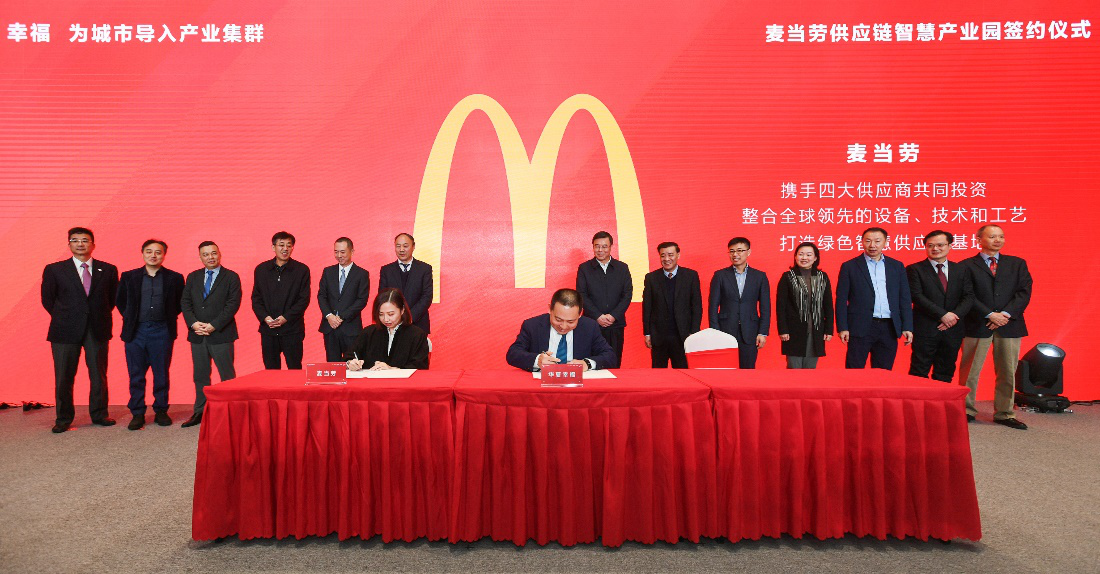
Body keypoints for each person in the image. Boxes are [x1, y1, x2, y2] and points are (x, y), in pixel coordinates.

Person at [40, 227, 120, 433]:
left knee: (98, 374)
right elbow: (48, 300)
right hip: (65, 330)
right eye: (75, 240)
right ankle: (63, 418)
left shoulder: (108, 269)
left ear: (93, 244)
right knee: (63, 376)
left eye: (85, 240)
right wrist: (67, 316)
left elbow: (112, 299)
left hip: (97, 328)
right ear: (69, 244)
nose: (80, 244)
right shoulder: (54, 269)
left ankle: (100, 414)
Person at [957, 225, 1033, 429]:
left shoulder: (1017, 264)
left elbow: (1024, 292)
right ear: (979, 239)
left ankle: (1005, 413)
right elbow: (967, 295)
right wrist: (990, 314)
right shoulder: (966, 265)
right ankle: (966, 410)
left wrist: (1005, 314)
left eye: (1001, 236)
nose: (997, 240)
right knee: (970, 371)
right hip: (977, 323)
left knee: (1008, 371)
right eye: (992, 236)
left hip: (1009, 324)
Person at [116, 239, 185, 430]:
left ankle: (161, 410)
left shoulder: (175, 278)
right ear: (142, 253)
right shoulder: (129, 276)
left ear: (164, 255)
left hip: (162, 330)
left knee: (161, 373)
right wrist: (131, 318)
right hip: (136, 331)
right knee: (136, 374)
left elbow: (179, 304)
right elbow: (120, 301)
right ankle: (137, 412)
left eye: (158, 252)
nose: (153, 255)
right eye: (149, 251)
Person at [179, 241, 241, 428]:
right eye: (205, 254)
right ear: (200, 257)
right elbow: (185, 302)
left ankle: (231, 411)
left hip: (221, 334)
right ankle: (200, 411)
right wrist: (193, 324)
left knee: (227, 376)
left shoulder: (231, 277)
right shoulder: (193, 277)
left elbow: (233, 304)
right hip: (198, 334)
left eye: (213, 253)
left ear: (220, 254)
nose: (210, 257)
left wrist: (214, 325)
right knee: (200, 376)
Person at [835, 227, 914, 369]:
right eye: (868, 241)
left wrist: (907, 326)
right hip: (860, 326)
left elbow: (904, 298)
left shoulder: (897, 266)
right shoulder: (850, 266)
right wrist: (843, 327)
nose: (872, 245)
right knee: (854, 371)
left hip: (889, 327)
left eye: (877, 241)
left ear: (885, 242)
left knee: (883, 373)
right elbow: (841, 299)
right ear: (862, 242)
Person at [907, 231, 973, 383]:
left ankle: (941, 399)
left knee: (945, 372)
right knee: (919, 371)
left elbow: (969, 296)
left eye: (940, 245)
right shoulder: (915, 269)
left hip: (953, 329)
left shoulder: (961, 269)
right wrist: (943, 315)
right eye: (930, 245)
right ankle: (918, 399)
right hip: (926, 328)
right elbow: (916, 296)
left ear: (949, 246)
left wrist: (954, 316)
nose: (935, 248)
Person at [506, 288, 617, 372]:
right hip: (541, 385)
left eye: (570, 321)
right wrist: (537, 360)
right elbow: (513, 354)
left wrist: (586, 364)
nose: (563, 326)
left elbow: (610, 356)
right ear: (550, 309)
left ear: (580, 314)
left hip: (577, 387)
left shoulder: (589, 327)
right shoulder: (532, 325)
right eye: (558, 319)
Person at [708, 237, 770, 368]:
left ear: (748, 252)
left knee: (748, 371)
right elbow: (713, 306)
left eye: (740, 250)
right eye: (732, 251)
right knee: (726, 370)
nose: (735, 254)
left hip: (750, 331)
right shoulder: (720, 275)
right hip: (725, 331)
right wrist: (715, 332)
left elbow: (765, 307)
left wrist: (762, 332)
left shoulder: (760, 276)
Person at [252, 231, 311, 369]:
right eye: (281, 245)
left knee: (294, 369)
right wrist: (266, 318)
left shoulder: (301, 270)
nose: (285, 249)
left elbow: (303, 300)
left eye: (289, 245)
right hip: (268, 330)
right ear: (273, 247)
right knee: (271, 371)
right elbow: (256, 298)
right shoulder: (261, 269)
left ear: (292, 248)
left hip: (292, 330)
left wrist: (285, 318)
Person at [576, 231, 632, 367]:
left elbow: (627, 294)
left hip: (615, 324)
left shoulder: (622, 268)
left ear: (611, 247)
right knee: (590, 362)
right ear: (593, 247)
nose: (600, 250)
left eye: (604, 246)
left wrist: (613, 316)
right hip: (591, 324)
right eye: (597, 246)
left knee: (614, 361)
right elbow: (581, 294)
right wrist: (598, 316)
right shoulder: (584, 268)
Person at [642, 242, 702, 368]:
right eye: (663, 255)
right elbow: (647, 308)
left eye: (670, 255)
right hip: (659, 337)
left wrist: (694, 333)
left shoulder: (690, 276)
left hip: (683, 336)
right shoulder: (651, 278)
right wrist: (647, 333)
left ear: (678, 255)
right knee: (658, 374)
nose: (666, 259)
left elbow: (696, 307)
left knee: (683, 373)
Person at [775, 242, 834, 368]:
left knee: (810, 370)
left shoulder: (822, 277)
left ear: (815, 258)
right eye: (801, 254)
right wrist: (783, 329)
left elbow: (828, 305)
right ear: (795, 257)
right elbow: (781, 306)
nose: (804, 258)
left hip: (816, 330)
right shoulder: (788, 277)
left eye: (809, 254)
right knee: (794, 368)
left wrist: (829, 329)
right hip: (793, 331)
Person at [346, 288, 430, 371]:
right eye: (381, 314)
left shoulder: (417, 335)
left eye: (391, 314)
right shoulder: (368, 332)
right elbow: (350, 356)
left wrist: (392, 369)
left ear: (402, 310)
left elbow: (420, 367)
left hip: (401, 380)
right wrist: (350, 363)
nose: (386, 319)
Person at [317, 237, 370, 361]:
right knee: (332, 365)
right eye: (336, 252)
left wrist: (341, 317)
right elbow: (321, 296)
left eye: (342, 252)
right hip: (330, 327)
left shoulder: (361, 274)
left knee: (352, 364)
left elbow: (362, 300)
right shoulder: (328, 271)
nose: (339, 255)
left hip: (351, 328)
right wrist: (329, 316)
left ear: (352, 252)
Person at [378, 233, 433, 333]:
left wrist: (409, 317)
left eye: (405, 246)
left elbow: (427, 296)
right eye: (398, 246)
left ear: (413, 246)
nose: (401, 249)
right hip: (392, 324)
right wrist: (395, 317)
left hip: (418, 323)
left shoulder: (424, 269)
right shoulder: (386, 270)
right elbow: (383, 296)